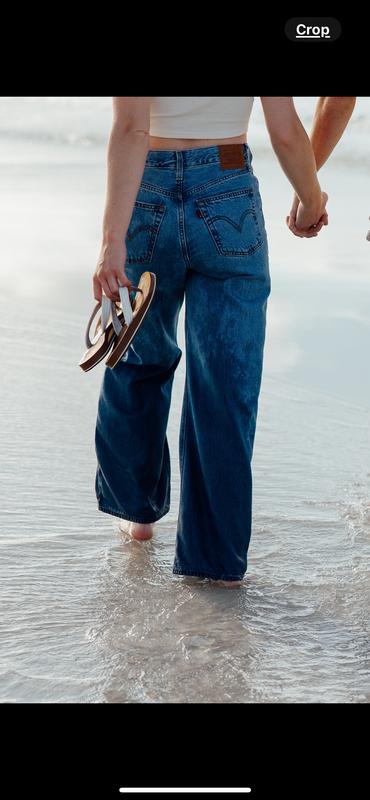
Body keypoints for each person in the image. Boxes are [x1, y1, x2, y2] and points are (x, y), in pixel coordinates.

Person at [93, 97, 329, 588]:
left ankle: (137, 516)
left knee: (140, 358)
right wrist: (311, 199)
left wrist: (111, 241)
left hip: (147, 192)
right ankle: (214, 563)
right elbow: (284, 129)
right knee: (224, 388)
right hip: (228, 191)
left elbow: (131, 130)